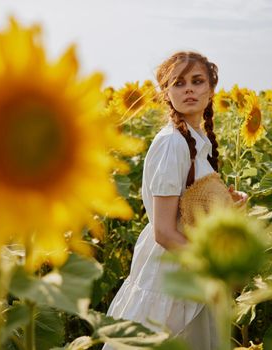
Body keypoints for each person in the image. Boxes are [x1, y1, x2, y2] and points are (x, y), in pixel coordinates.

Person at [103, 51, 247, 350]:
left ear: (210, 90)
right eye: (178, 83)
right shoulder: (173, 143)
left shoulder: (194, 140)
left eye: (197, 81)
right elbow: (164, 232)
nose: (189, 89)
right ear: (167, 93)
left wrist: (224, 202)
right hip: (170, 273)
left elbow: (188, 207)